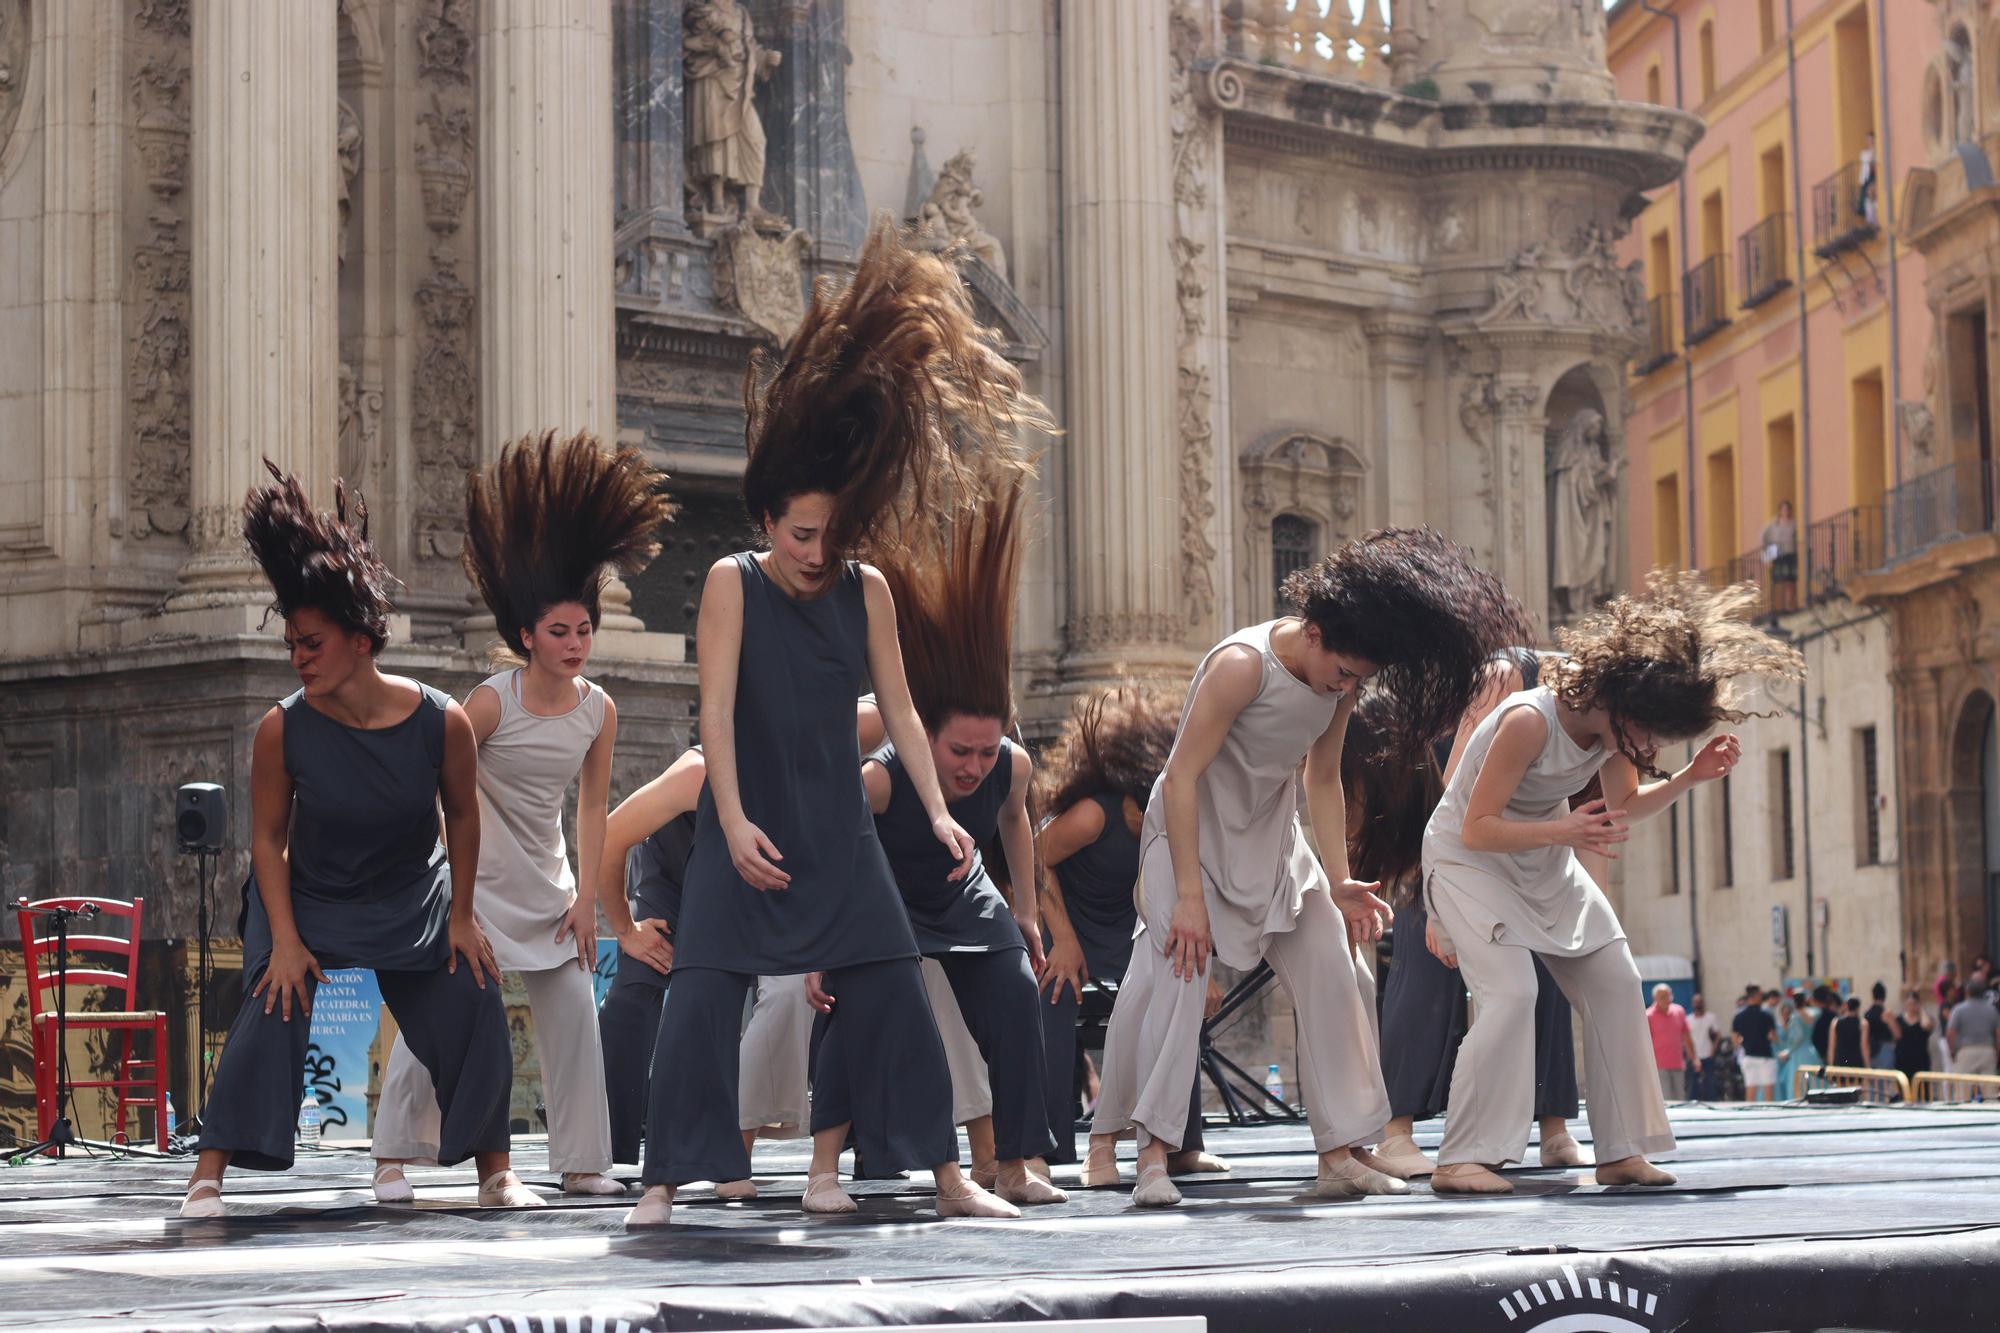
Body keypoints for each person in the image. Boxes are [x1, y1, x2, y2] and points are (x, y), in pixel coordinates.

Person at [625, 219, 1045, 1228]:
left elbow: (899, 706)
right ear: (766, 519)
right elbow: (714, 714)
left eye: (829, 533)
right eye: (801, 533)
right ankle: (659, 1179)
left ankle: (946, 1178)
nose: (816, 550)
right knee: (699, 997)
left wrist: (942, 810)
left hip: (837, 829)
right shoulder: (729, 583)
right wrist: (726, 824)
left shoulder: (864, 590)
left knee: (895, 989)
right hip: (752, 823)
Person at [1089, 527, 1536, 1207]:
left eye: (1361, 677)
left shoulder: (1341, 682)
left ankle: (1341, 1150)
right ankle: (1145, 1154)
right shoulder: (1242, 665)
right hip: (1191, 837)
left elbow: (1321, 778)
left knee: (1335, 960)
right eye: (1345, 671)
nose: (1350, 686)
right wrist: (1186, 894)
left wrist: (1336, 877)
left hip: (1272, 835)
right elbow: (1180, 778)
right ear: (1315, 630)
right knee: (1174, 978)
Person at [181, 465, 524, 1218]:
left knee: (475, 986)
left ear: (362, 640)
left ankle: (495, 1171)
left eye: (311, 643)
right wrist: (290, 940)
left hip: (410, 889)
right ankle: (207, 1176)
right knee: (273, 990)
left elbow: (463, 816)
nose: (298, 657)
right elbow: (267, 840)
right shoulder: (282, 728)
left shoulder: (442, 721)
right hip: (306, 893)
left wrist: (462, 915)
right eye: (293, 645)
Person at [1421, 573, 1805, 1193]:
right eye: (1651, 732)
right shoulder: (1528, 721)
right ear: (1623, 701)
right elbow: (1476, 828)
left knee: (1618, 980)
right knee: (1513, 993)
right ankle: (1462, 1158)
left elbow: (1623, 806)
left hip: (1544, 855)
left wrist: (1687, 779)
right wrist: (1565, 830)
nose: (1652, 745)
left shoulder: (1614, 732)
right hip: (1469, 863)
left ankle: (1622, 1151)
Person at [370, 433, 669, 1203]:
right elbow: (443, 793)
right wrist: (448, 896)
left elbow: (592, 805)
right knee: (446, 1015)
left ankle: (580, 1162)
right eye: (559, 632)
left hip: (549, 880)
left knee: (574, 1008)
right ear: (528, 635)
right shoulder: (489, 703)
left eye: (583, 631)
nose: (574, 645)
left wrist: (588, 901)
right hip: (475, 882)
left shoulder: (599, 708)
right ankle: (392, 1155)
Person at [815, 459, 1066, 1210]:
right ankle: (824, 1170)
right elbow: (837, 851)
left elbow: (1016, 818)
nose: (974, 766)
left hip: (964, 895)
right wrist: (825, 943)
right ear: (926, 735)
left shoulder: (1010, 767)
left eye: (986, 752)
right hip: (885, 902)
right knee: (858, 1005)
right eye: (960, 752)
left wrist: (1024, 906)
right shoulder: (882, 778)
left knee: (1019, 995)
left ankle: (1018, 1163)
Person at [594, 712, 882, 1196]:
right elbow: (611, 835)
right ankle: (612, 1153)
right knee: (637, 989)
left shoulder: (826, 760)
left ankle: (736, 1145)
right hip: (678, 882)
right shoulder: (696, 774)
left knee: (795, 993)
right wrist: (624, 928)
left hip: (764, 884)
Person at [1349, 668, 1584, 1181]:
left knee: (1545, 972)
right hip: (1442, 850)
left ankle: (1554, 1126)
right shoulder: (1474, 689)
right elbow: (1449, 802)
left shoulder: (1545, 700)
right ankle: (1397, 1131)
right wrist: (1436, 900)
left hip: (1514, 859)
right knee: (1423, 972)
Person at [1033, 686, 1226, 1180]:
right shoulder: (1095, 815)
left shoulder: (1181, 825)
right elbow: (1034, 859)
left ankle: (1180, 1142)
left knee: (1181, 984)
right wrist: (1065, 941)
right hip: (1069, 927)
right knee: (1052, 996)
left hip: (1131, 931)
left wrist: (1207, 973)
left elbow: (1189, 904)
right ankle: (1050, 1142)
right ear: (1133, 803)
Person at [1647, 985, 1697, 1103]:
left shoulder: (1679, 1011)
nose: (1666, 999)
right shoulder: (1648, 1015)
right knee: (1667, 1099)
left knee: (1680, 1098)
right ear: (1655, 999)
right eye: (1662, 997)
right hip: (1659, 1066)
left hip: (1678, 1064)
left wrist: (1694, 1058)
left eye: (1668, 996)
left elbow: (1686, 1036)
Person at [1732, 983, 1780, 1103]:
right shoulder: (1766, 1015)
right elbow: (1773, 1036)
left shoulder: (1739, 1016)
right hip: (1765, 1057)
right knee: (1768, 1093)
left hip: (1748, 1056)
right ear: (1756, 995)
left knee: (1750, 1092)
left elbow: (1735, 1040)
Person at [1945, 985, 2000, 1075]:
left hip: (1966, 1050)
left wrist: (1953, 1052)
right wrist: (1997, 1054)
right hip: (1987, 1051)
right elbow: (1998, 1035)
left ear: (1967, 993)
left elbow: (1950, 1033)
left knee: (1963, 1087)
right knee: (1989, 1087)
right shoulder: (1992, 1010)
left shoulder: (1958, 1009)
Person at [1774, 994, 1816, 1100]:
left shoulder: (1795, 1017)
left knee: (1797, 1081)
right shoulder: (1810, 1014)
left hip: (1799, 1053)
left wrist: (1788, 1051)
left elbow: (1798, 1037)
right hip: (1811, 1051)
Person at [1761, 500, 1798, 613]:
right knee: (1778, 580)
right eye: (1783, 509)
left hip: (1790, 553)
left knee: (1790, 580)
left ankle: (1788, 605)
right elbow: (1763, 536)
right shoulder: (1774, 523)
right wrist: (1767, 550)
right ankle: (1778, 606)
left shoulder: (1793, 523)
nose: (1785, 511)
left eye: (1787, 509)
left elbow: (1796, 536)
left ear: (1790, 511)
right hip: (1778, 554)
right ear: (1780, 511)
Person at [1894, 989, 1934, 1085]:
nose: (1911, 1006)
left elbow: (1927, 1026)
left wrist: (1921, 1010)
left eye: (1914, 1003)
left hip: (1921, 1062)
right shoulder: (1899, 1019)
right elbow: (1896, 1036)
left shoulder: (1925, 1018)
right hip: (1903, 1061)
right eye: (1909, 1003)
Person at [1688, 993, 1724, 1100]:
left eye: (1700, 1002)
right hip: (1695, 1056)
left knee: (1710, 1080)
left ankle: (1712, 1100)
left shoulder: (1711, 1017)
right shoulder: (1688, 1019)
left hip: (1708, 1054)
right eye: (1696, 1002)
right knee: (1693, 1082)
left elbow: (1718, 1035)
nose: (1698, 1004)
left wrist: (1713, 1050)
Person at [1863, 982, 1899, 1073]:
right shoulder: (1886, 1014)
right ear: (1884, 996)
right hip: (1885, 1050)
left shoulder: (1867, 1014)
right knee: (1886, 1082)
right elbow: (1897, 1035)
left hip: (1871, 1050)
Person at [1829, 997, 1868, 1069]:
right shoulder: (1862, 1023)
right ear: (1858, 1008)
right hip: (1856, 1062)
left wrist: (1831, 1065)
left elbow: (1832, 1045)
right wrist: (1867, 1065)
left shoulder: (1835, 1022)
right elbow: (1864, 1046)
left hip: (1840, 1061)